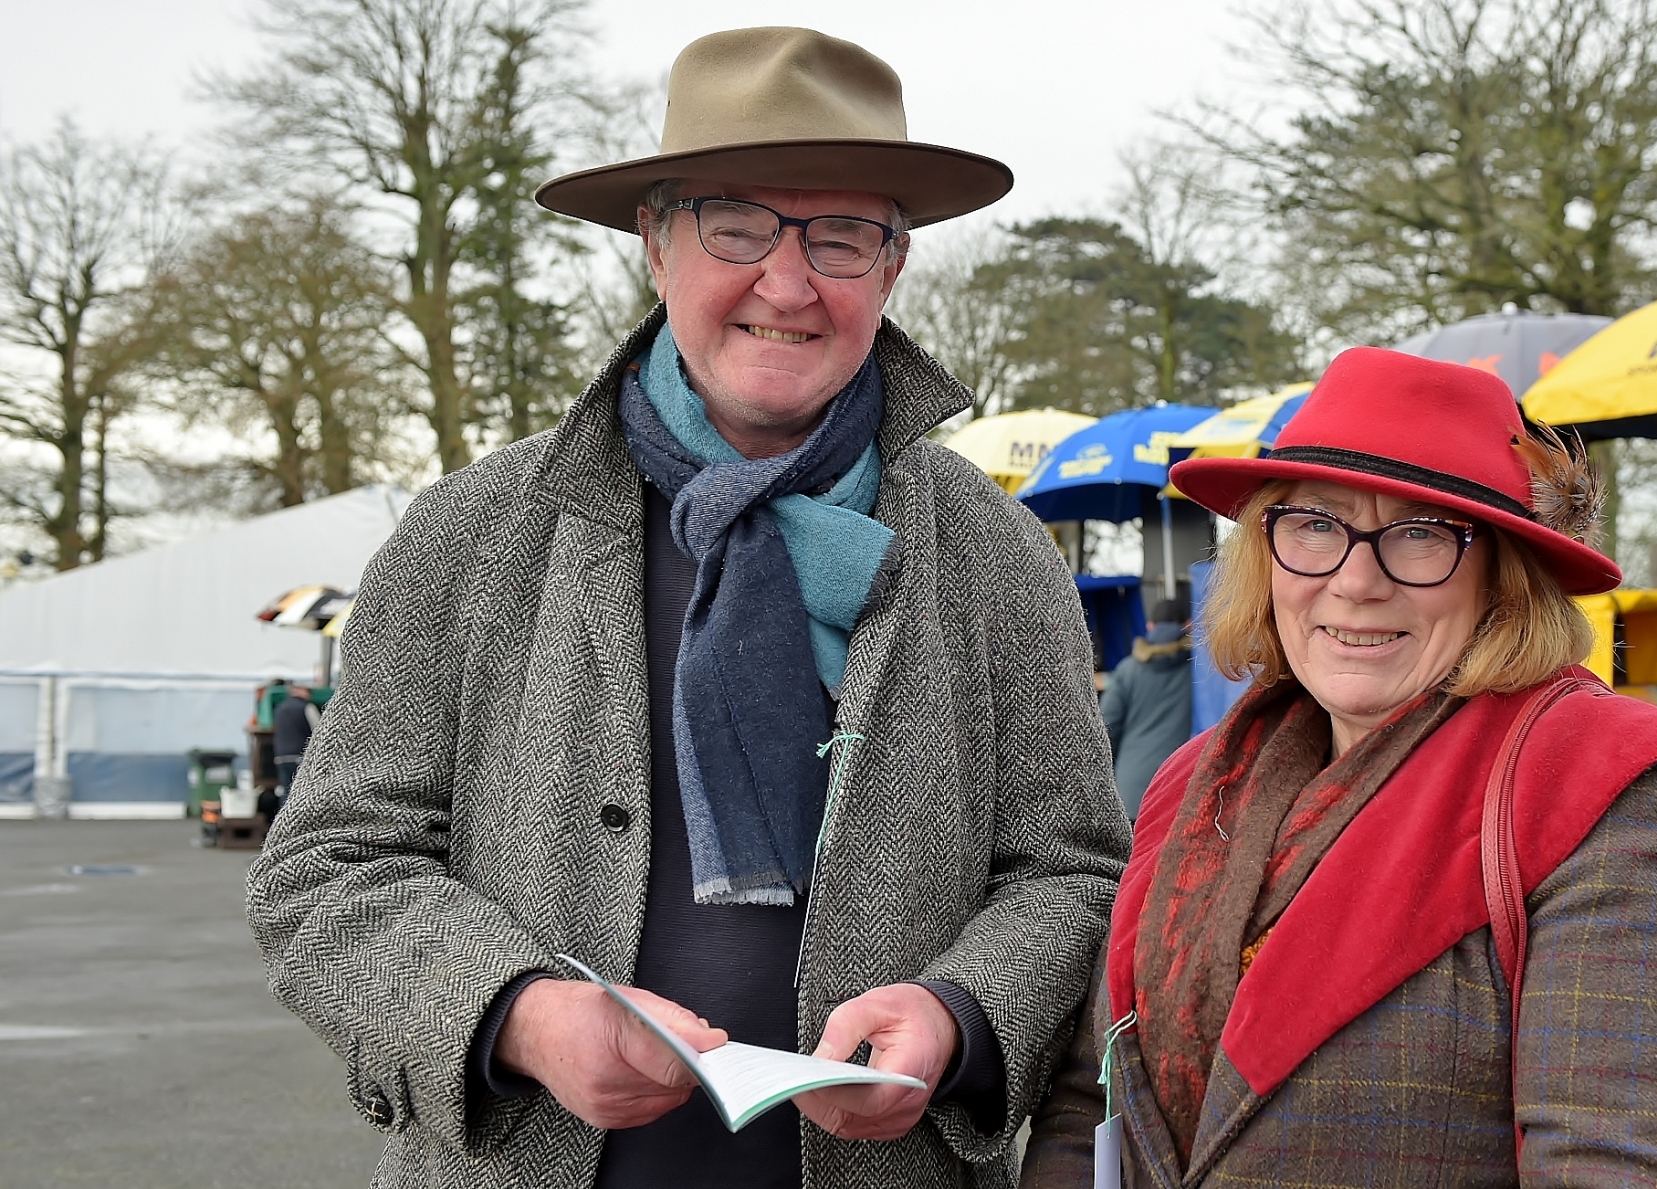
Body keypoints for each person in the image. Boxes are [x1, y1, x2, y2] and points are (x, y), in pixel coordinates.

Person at [246, 27, 1129, 1189]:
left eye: (840, 235)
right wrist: (517, 1012)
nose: (788, 282)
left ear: (894, 267)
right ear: (655, 246)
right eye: (736, 225)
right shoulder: (472, 531)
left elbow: (1073, 872)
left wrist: (962, 1014)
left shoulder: (995, 551)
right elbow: (328, 864)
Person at [1022, 348, 1657, 1186]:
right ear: (1265, 553)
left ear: (1502, 576)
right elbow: (1089, 1100)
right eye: (1315, 524)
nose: (1356, 579)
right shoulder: (1194, 781)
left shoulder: (1602, 784)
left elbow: (1624, 1168)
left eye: (1421, 533)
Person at [1101, 598, 1194, 820]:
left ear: (1150, 626)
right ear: (1189, 625)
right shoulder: (1201, 671)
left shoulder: (1128, 670)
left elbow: (1105, 729)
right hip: (1182, 791)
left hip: (1132, 793)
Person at [269, 682, 318, 802]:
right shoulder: (307, 707)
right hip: (300, 755)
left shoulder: (279, 709)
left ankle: (283, 813)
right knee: (302, 792)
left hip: (281, 756)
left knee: (286, 791)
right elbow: (319, 731)